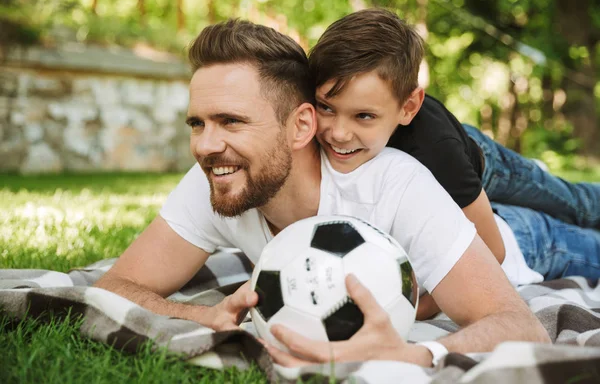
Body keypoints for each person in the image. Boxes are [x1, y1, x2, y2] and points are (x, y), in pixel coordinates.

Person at [95, 19, 549, 368]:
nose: (205, 145)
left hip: (522, 239)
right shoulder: (219, 174)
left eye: (231, 121)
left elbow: (522, 325)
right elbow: (114, 286)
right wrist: (200, 316)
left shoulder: (397, 182)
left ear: (301, 125)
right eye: (197, 123)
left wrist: (418, 354)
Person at [306, 8, 600, 288]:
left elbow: (493, 250)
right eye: (326, 108)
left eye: (364, 116)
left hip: (484, 163)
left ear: (407, 108)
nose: (339, 133)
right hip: (451, 163)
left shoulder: (435, 152)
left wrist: (422, 307)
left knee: (573, 203)